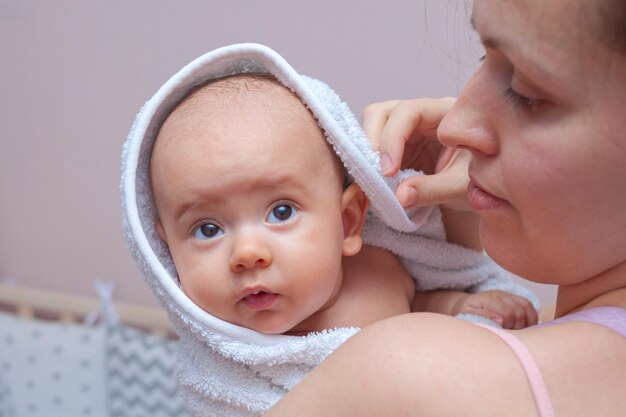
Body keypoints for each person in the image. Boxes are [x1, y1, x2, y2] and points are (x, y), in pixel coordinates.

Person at [264, 0, 626, 416]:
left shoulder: (407, 375)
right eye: (483, 56)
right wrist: (457, 223)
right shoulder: (531, 331)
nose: (454, 125)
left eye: (526, 91)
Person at [149, 73, 537, 335]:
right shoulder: (231, 365)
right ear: (167, 253)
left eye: (281, 212)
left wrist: (460, 307)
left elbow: (418, 303)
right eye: (207, 229)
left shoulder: (381, 272)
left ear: (349, 223)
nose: (247, 254)